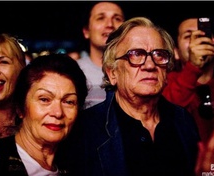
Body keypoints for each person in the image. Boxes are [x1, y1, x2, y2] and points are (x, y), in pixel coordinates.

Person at [58, 17, 199, 175]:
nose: (150, 65)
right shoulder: (85, 129)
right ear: (113, 73)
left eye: (159, 54)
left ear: (166, 71)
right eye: (136, 55)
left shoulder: (183, 120)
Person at [0, 54, 88, 175]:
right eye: (44, 99)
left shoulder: (78, 167)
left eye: (68, 102)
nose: (58, 112)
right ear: (20, 108)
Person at [163, 16, 214, 143]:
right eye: (188, 36)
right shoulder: (164, 83)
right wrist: (193, 68)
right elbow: (164, 116)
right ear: (175, 52)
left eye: (203, 34)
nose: (197, 40)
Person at [77, 1, 125, 109]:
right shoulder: (73, 71)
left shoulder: (138, 70)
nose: (110, 25)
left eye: (117, 19)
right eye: (100, 18)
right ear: (86, 31)